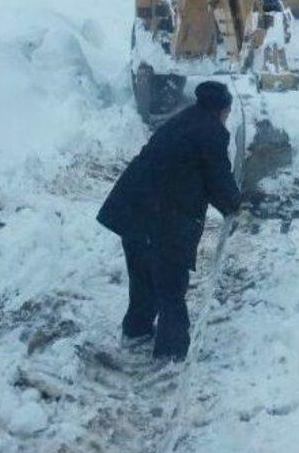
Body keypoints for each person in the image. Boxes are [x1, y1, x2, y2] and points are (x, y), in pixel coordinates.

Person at [96, 80, 241, 362]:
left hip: (132, 207)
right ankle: (171, 352)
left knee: (143, 276)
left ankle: (136, 331)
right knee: (171, 285)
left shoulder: (183, 120)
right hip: (164, 217)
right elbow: (219, 180)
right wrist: (236, 205)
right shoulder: (213, 132)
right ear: (223, 110)